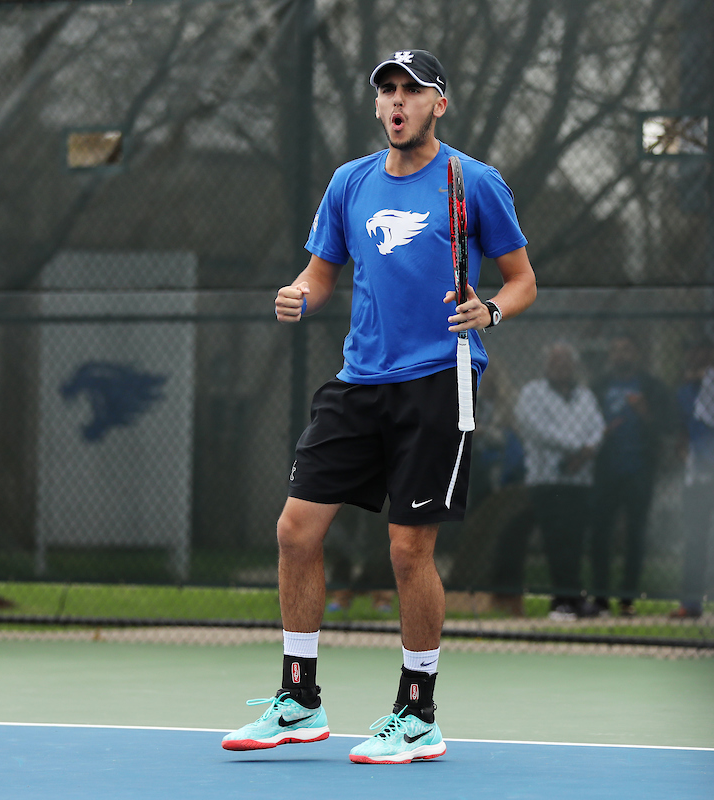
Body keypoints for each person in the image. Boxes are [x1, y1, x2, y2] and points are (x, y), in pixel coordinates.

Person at [221, 49, 536, 764]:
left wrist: (489, 310)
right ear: (377, 106)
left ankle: (419, 711)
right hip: (358, 381)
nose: (398, 101)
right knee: (296, 530)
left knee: (406, 550)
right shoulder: (349, 183)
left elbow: (522, 280)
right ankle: (299, 700)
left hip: (436, 381)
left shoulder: (472, 182)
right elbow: (322, 269)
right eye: (388, 91)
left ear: (438, 105)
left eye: (412, 91)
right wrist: (301, 292)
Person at [510, 342, 605, 620]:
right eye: (556, 361)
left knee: (575, 540)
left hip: (579, 479)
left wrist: (589, 450)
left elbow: (597, 426)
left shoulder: (585, 395)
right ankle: (560, 601)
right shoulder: (532, 393)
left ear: (574, 365)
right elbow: (536, 429)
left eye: (566, 361)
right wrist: (578, 447)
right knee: (555, 539)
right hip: (547, 479)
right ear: (546, 365)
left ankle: (574, 599)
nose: (561, 366)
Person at [587, 335, 673, 616]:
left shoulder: (651, 387)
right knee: (601, 533)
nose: (619, 355)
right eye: (615, 350)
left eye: (625, 349)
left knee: (635, 534)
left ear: (636, 353)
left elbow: (665, 425)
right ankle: (600, 597)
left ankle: (627, 599)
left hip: (639, 469)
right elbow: (587, 423)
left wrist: (643, 411)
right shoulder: (599, 387)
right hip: (606, 470)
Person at [669, 337, 714, 619]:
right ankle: (691, 604)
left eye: (700, 352)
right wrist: (682, 449)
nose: (694, 357)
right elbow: (680, 428)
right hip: (696, 474)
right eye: (690, 352)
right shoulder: (683, 391)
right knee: (695, 540)